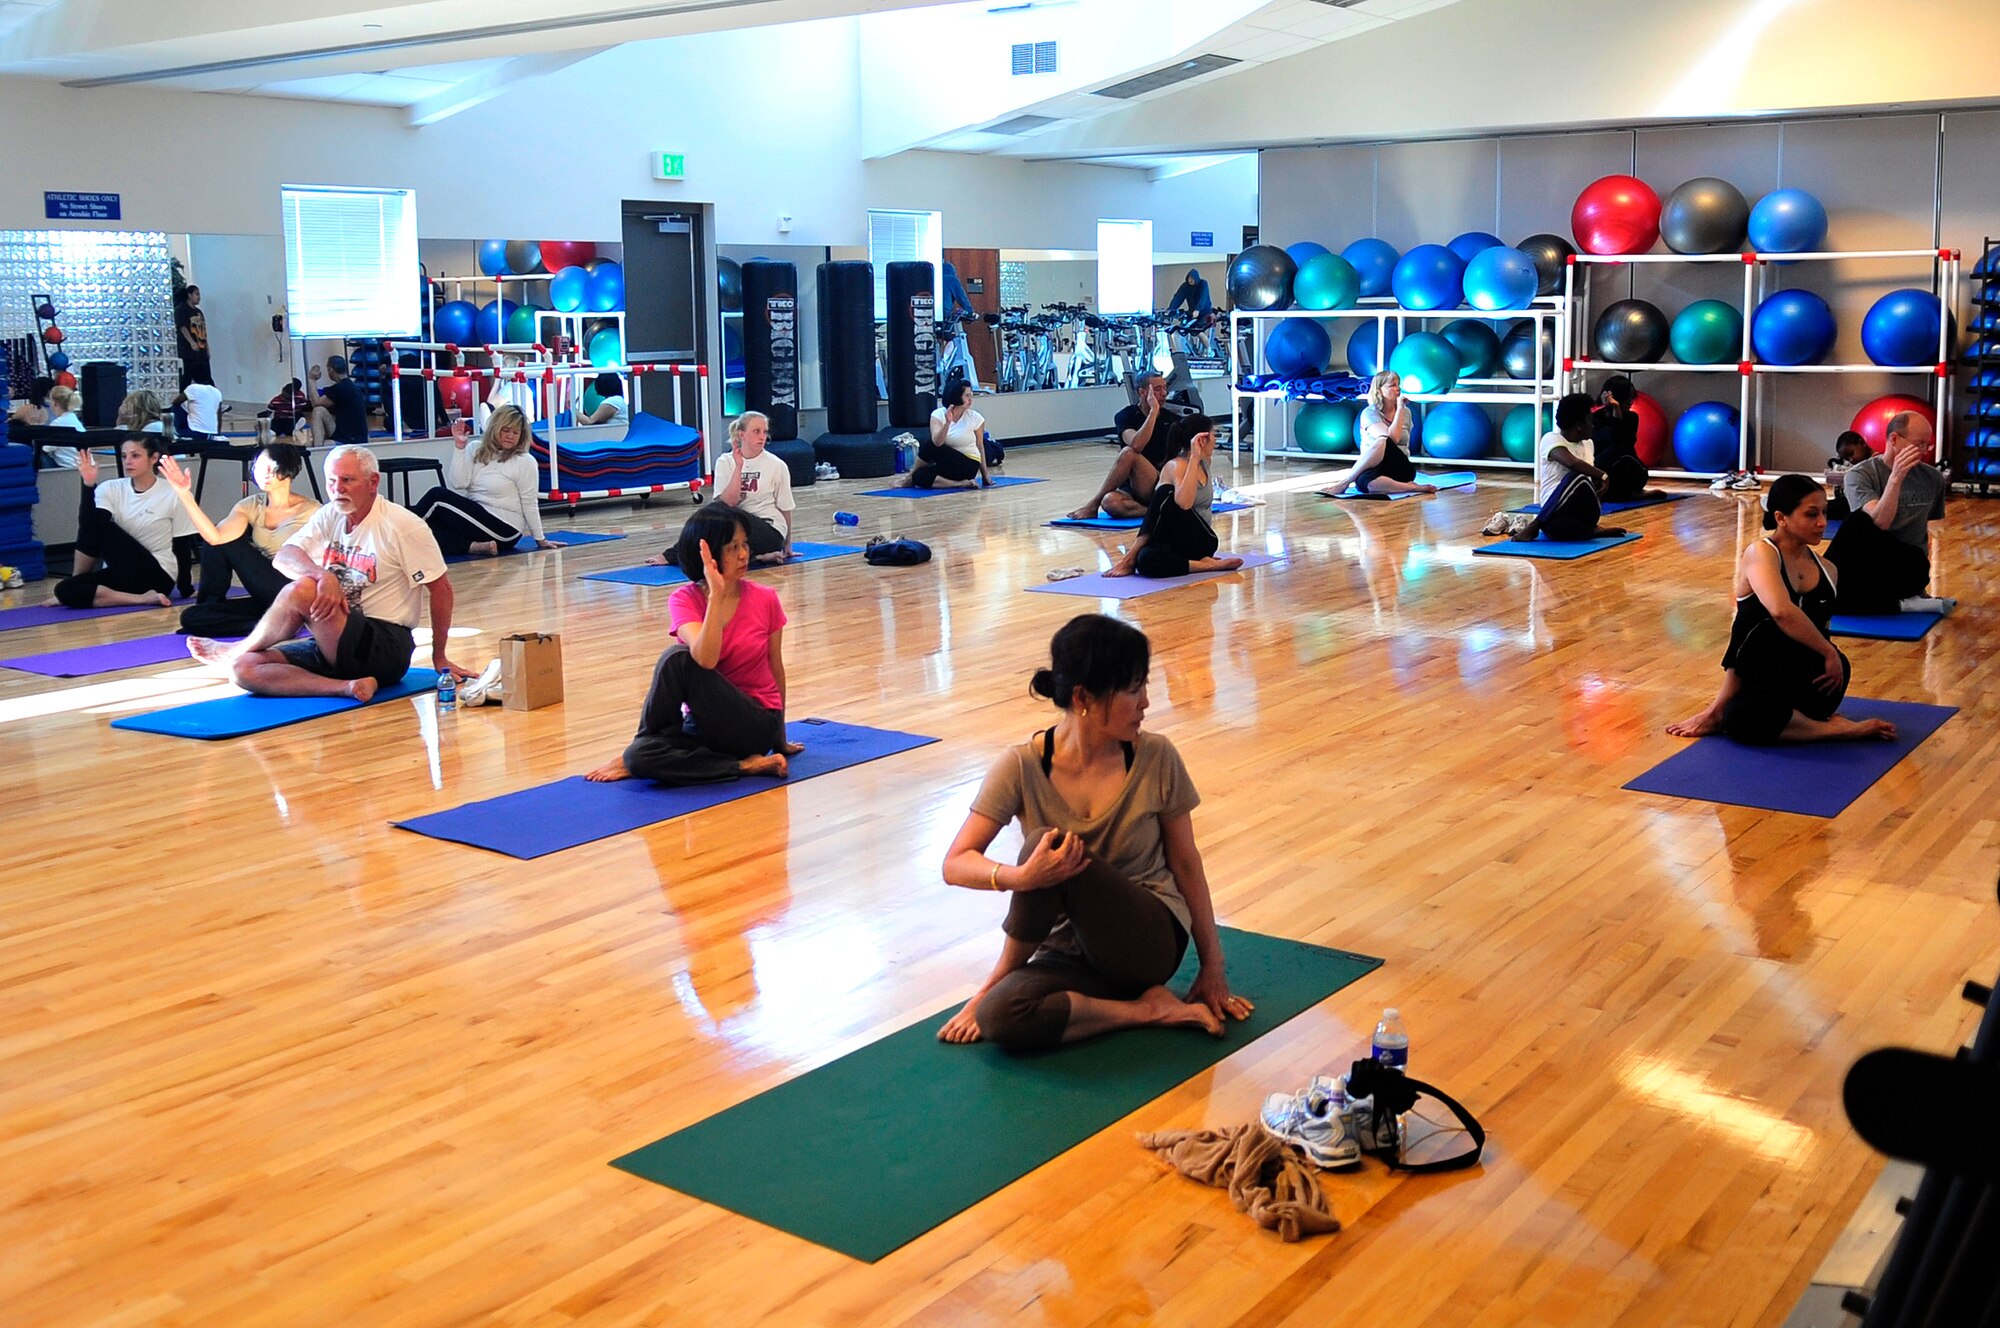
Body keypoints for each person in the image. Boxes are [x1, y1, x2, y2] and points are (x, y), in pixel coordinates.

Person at [935, 614, 1253, 1051]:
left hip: (1147, 942)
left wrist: (1212, 969)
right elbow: (956, 863)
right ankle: (1148, 1010)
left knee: (1048, 847)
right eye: (1133, 689)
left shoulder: (1157, 756)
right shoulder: (1021, 765)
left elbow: (1186, 863)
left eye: (1145, 685)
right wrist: (1019, 878)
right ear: (1083, 697)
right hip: (1068, 952)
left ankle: (994, 980)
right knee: (1001, 1017)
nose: (1145, 702)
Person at [186, 445, 471, 702]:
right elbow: (284, 557)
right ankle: (346, 687)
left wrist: (439, 655)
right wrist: (324, 575)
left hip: (384, 645)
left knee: (303, 590)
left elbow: (441, 589)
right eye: (332, 481)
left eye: (348, 481)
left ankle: (234, 649)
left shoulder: (402, 526)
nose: (338, 489)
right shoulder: (330, 514)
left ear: (373, 482)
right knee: (243, 669)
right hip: (333, 637)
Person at [1667, 474, 1897, 745]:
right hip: (1762, 672)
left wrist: (1830, 654)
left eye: (1824, 512)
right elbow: (1780, 611)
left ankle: (1798, 722)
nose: (1822, 522)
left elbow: (1821, 629)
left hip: (1818, 680)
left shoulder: (1828, 570)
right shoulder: (1761, 553)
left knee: (1744, 714)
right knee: (1759, 637)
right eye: (1811, 515)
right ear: (1781, 518)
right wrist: (1827, 651)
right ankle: (1836, 729)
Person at [586, 506, 804, 786]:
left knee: (677, 657)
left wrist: (780, 740)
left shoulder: (765, 598)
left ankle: (720, 758)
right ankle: (740, 766)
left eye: (745, 544)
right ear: (709, 556)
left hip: (754, 723)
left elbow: (773, 668)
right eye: (732, 547)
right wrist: (716, 595)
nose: (743, 554)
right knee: (640, 756)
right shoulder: (683, 600)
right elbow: (706, 657)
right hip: (703, 726)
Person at [159, 443, 320, 636]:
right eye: (259, 468)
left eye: (270, 467)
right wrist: (184, 494)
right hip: (268, 594)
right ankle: (268, 626)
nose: (264, 474)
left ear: (288, 468)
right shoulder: (251, 504)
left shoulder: (313, 511)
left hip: (297, 589)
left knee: (227, 541)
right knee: (192, 616)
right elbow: (214, 537)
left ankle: (282, 622)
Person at [1823, 412, 1954, 616]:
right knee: (1856, 522)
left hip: (1910, 568)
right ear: (1894, 439)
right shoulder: (1860, 475)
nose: (1924, 451)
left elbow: (1922, 529)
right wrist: (1896, 478)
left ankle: (1906, 599)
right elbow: (1880, 523)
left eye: (1927, 445)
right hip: (1869, 566)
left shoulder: (1932, 478)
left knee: (1855, 522)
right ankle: (1901, 605)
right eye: (1918, 444)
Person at [44, 437, 197, 609]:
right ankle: (143, 599)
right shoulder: (110, 488)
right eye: (124, 456)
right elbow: (89, 526)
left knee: (98, 523)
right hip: (122, 571)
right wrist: (88, 484)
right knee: (64, 589)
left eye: (135, 456)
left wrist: (186, 589)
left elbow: (182, 545)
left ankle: (145, 594)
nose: (128, 462)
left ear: (153, 458)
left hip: (157, 574)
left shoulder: (175, 493)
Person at [1107, 413, 1243, 580]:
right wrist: (1193, 457)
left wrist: (1195, 458)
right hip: (1176, 541)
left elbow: (1184, 505)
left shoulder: (1204, 462)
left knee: (1164, 494)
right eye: (1214, 435)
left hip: (1203, 541)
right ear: (1202, 439)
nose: (1215, 440)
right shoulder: (1175, 466)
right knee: (1146, 560)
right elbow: (1182, 504)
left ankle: (1130, 556)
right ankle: (1206, 565)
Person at [410, 406, 556, 558]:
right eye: (506, 430)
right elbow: (459, 483)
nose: (510, 436)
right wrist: (460, 448)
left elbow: (530, 502)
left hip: (505, 529)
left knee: (437, 496)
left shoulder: (525, 461)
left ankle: (397, 534)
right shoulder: (475, 448)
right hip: (476, 518)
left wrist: (540, 539)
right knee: (432, 524)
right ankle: (473, 546)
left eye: (515, 433)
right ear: (495, 428)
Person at [1511, 392, 1628, 543]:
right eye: (1589, 421)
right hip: (1554, 517)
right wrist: (1603, 476)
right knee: (1576, 476)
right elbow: (1572, 463)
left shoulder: (1588, 444)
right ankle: (1540, 525)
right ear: (1579, 425)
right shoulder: (1551, 439)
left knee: (1585, 477)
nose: (1592, 425)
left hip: (1583, 516)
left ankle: (1590, 530)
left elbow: (1617, 439)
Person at [1065, 372, 1181, 520]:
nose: (1164, 393)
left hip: (1158, 482)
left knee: (1128, 453)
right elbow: (1137, 443)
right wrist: (1153, 413)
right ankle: (1156, 511)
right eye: (1157, 389)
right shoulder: (1125, 415)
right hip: (1132, 487)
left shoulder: (1173, 420)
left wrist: (1154, 411)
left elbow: (1135, 450)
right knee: (1109, 502)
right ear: (1142, 392)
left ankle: (1093, 505)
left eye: (1165, 388)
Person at [1314, 371, 1439, 498]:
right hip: (1374, 466)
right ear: (1379, 390)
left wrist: (1400, 409)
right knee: (1367, 483)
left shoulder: (1405, 412)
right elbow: (1387, 438)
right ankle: (1410, 487)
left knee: (1382, 440)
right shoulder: (1369, 413)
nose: (1398, 389)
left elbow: (1394, 439)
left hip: (1400, 466)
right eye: (1392, 385)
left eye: (1398, 385)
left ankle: (1344, 483)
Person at [696, 410, 794, 563]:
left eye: (764, 432)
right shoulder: (725, 462)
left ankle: (758, 553)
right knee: (711, 517)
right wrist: (739, 466)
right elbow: (728, 502)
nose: (762, 436)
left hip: (769, 529)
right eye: (756, 431)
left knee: (722, 514)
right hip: (736, 528)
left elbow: (785, 507)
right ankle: (756, 557)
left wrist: (787, 544)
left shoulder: (777, 465)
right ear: (741, 434)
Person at [909, 381, 994, 491]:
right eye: (967, 396)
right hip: (947, 463)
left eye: (971, 395)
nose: (970, 399)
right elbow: (938, 442)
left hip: (969, 463)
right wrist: (947, 423)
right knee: (919, 476)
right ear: (956, 396)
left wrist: (985, 474)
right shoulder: (937, 415)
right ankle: (960, 484)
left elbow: (980, 446)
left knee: (930, 445)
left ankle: (909, 477)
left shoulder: (975, 417)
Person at [1590, 375, 1660, 502]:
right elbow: (1607, 441)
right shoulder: (1595, 418)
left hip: (1630, 468)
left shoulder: (1632, 417)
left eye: (1631, 398)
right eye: (1627, 398)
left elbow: (1623, 442)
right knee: (1610, 452)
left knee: (1618, 449)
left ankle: (1633, 493)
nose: (1630, 402)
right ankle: (1632, 495)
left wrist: (1617, 409)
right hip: (1604, 470)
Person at [309, 357, 368, 447]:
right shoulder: (351, 387)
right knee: (310, 444)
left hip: (352, 440)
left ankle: (318, 451)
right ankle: (317, 447)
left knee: (318, 411)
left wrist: (312, 380)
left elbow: (316, 403)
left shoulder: (341, 388)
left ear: (331, 369)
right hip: (351, 434)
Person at [1824, 430, 1871, 520]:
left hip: (1864, 502)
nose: (1851, 459)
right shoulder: (1859, 466)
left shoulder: (1876, 462)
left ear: (1861, 443)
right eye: (1847, 459)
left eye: (1851, 454)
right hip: (1854, 497)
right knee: (1830, 504)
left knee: (1835, 509)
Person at [40, 384, 85, 468]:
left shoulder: (57, 424)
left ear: (54, 403)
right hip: (82, 466)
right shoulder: (75, 421)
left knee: (39, 455)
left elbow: (45, 448)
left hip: (67, 467)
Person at [176, 285, 212, 386]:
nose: (199, 297)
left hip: (202, 349)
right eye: (196, 294)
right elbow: (183, 327)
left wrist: (207, 348)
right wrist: (191, 342)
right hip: (189, 351)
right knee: (188, 375)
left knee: (207, 375)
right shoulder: (182, 310)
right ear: (189, 295)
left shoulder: (199, 312)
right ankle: (181, 398)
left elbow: (203, 331)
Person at [176, 375, 224, 440]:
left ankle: (175, 431)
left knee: (176, 407)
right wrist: (217, 433)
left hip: (195, 431)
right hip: (213, 432)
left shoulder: (193, 388)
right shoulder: (217, 391)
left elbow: (176, 402)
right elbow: (219, 415)